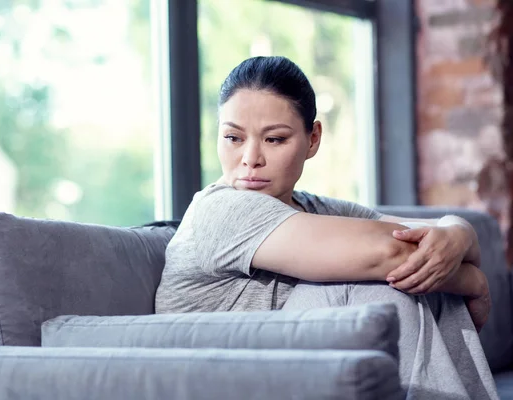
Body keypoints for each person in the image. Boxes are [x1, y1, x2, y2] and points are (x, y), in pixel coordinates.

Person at [154, 56, 498, 399]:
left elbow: (436, 234)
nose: (250, 158)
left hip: (292, 381)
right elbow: (392, 253)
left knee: (399, 274)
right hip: (226, 385)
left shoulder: (314, 210)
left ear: (313, 139)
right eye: (233, 137)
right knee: (379, 287)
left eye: (274, 139)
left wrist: (459, 233)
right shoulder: (221, 211)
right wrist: (473, 281)